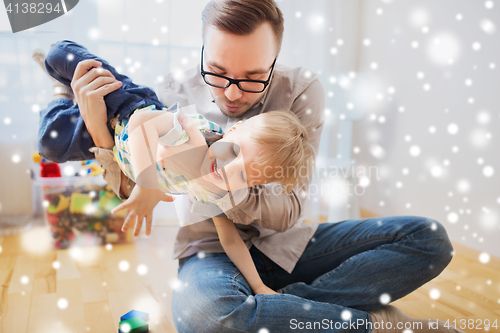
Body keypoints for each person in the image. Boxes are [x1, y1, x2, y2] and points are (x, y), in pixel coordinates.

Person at [36, 1, 465, 332]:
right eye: (218, 71)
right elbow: (134, 185)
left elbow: (290, 207)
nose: (233, 94)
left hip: (287, 243)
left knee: (427, 238)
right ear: (202, 48)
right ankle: (362, 321)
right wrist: (98, 131)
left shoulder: (300, 92)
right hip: (207, 254)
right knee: (208, 315)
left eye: (253, 76)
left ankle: (281, 308)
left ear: (275, 60)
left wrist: (228, 187)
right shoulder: (177, 97)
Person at [34, 41, 315, 296]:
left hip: (115, 144)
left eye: (244, 175)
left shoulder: (217, 193)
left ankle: (62, 94)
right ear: (234, 129)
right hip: (124, 105)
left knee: (49, 144)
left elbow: (230, 241)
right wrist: (147, 186)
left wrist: (259, 286)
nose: (230, 169)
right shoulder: (194, 135)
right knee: (61, 54)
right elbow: (140, 124)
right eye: (236, 151)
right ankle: (59, 71)